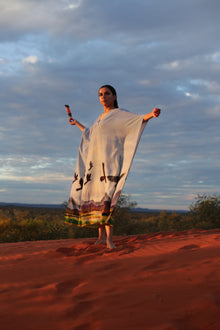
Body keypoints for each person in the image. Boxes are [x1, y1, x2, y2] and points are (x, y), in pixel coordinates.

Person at [65, 85, 160, 249]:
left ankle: (109, 240)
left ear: (114, 96)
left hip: (110, 164)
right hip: (95, 166)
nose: (103, 97)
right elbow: (90, 134)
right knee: (98, 198)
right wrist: (77, 124)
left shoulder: (119, 114)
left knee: (108, 200)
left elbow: (137, 120)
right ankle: (101, 237)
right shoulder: (100, 118)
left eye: (107, 94)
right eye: (100, 94)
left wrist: (151, 115)